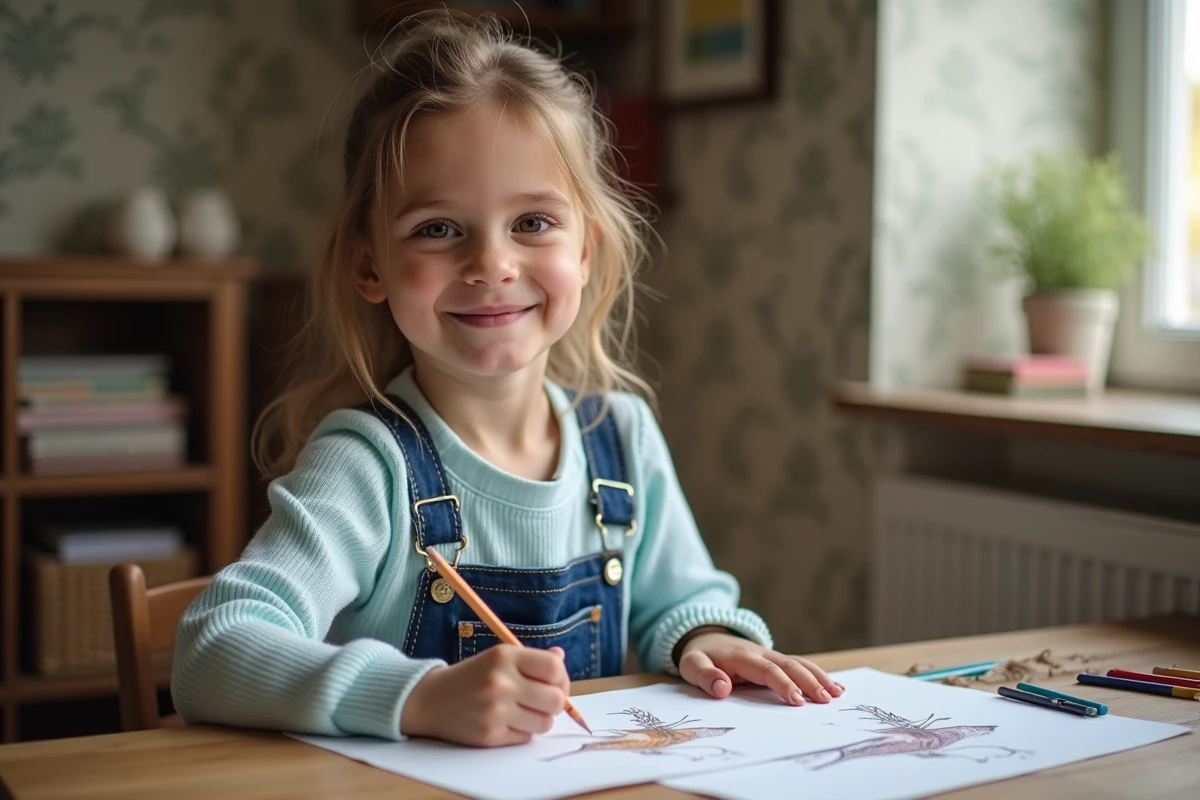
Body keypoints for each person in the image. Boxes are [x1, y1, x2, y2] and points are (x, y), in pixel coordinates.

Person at [171, 11, 843, 748]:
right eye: (437, 228)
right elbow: (212, 647)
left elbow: (678, 603)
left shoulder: (622, 437)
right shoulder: (367, 465)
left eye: (532, 223)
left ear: (585, 251)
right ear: (370, 266)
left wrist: (705, 637)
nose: (492, 264)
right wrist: (417, 698)